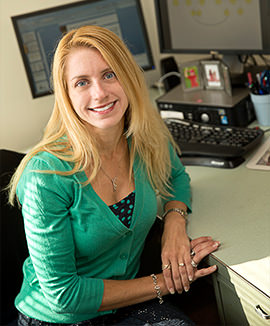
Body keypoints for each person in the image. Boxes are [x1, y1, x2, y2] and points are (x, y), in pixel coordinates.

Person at [8, 25, 220, 326]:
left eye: (109, 74)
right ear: (67, 95)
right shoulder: (46, 174)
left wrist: (174, 220)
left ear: (128, 76)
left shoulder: (145, 137)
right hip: (60, 317)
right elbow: (63, 295)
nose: (100, 93)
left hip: (125, 301)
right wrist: (166, 282)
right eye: (82, 82)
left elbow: (177, 178)